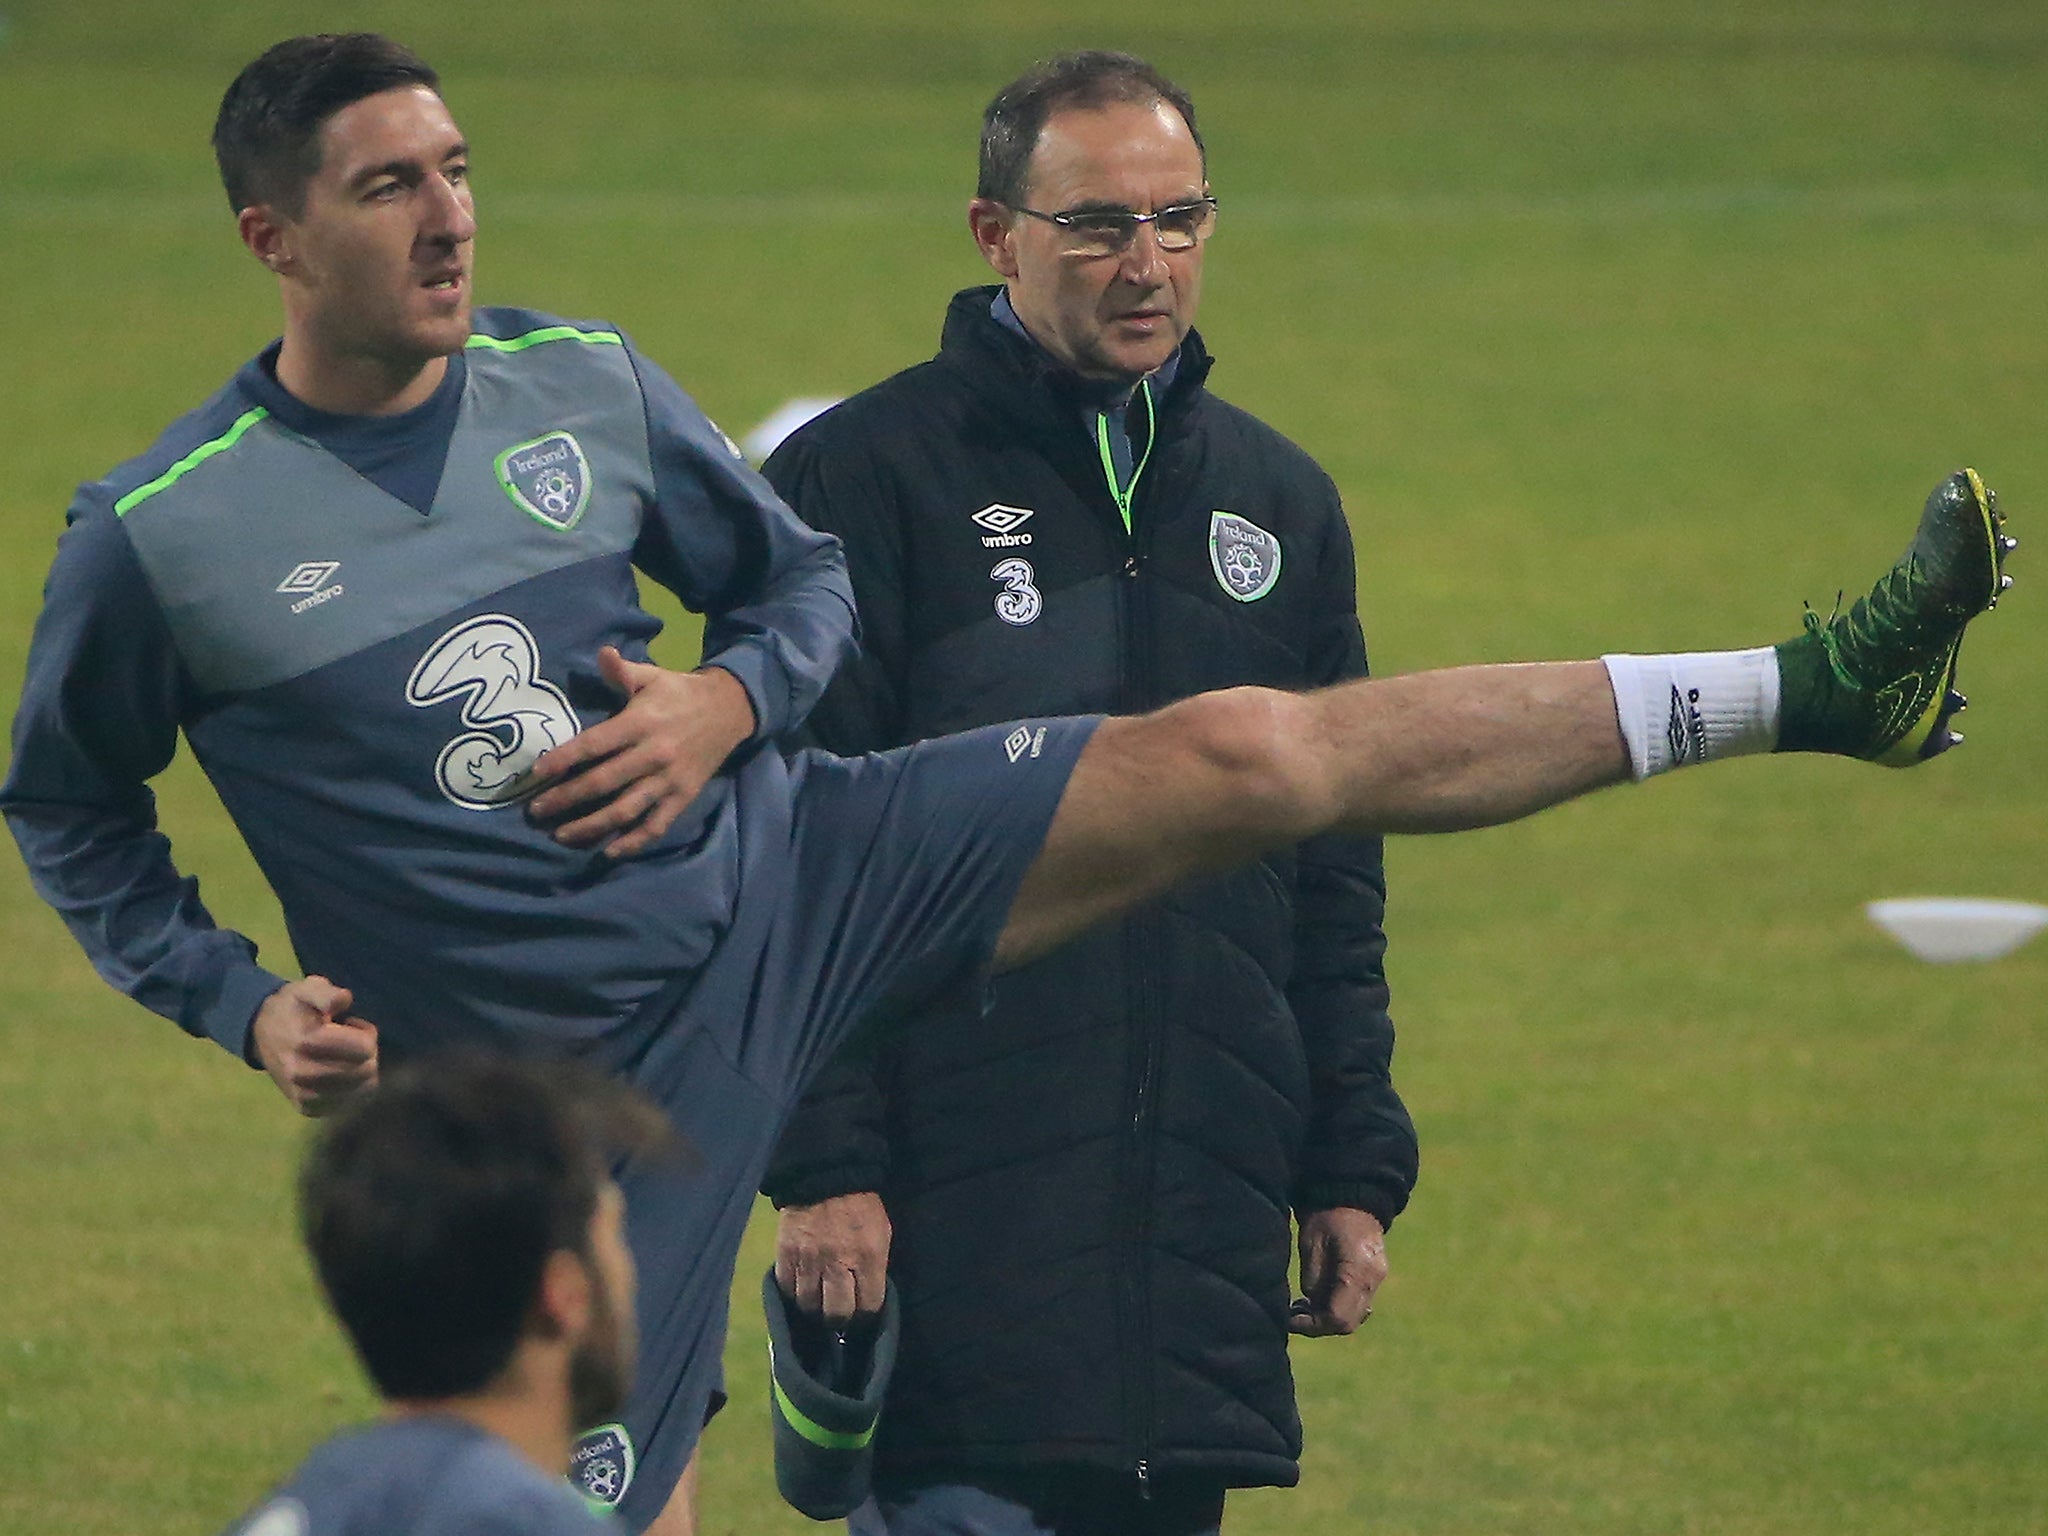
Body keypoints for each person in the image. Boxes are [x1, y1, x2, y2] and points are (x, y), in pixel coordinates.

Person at [0, 27, 2012, 1536]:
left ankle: (1820, 685)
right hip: (570, 1089)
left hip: (800, 871)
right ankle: (814, 1403)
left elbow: (789, 587)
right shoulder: (166, 532)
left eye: (456, 167)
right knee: (586, 1504)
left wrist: (729, 713)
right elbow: (65, 808)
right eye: (386, 187)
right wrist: (237, 999)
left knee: (1247, 750)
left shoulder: (582, 383)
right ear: (272, 237)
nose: (447, 214)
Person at [760, 52, 1416, 1536]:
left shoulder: (1280, 504)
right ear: (995, 236)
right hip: (955, 1222)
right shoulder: (862, 480)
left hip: (1195, 1248)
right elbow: (789, 847)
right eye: (1099, 226)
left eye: (1180, 221)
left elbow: (1333, 864)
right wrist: (824, 1166)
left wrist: (1349, 1160)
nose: (1148, 266)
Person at [219, 1052, 675, 1536]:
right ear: (564, 1295)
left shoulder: (301, 1505)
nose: (631, 1278)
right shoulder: (523, 1524)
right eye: (614, 1236)